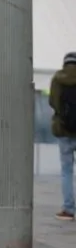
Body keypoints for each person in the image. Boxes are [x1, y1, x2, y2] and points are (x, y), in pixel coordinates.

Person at [49, 52, 76, 220]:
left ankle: (68, 208)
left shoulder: (57, 79)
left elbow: (52, 102)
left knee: (67, 170)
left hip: (64, 130)